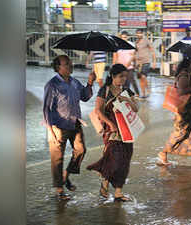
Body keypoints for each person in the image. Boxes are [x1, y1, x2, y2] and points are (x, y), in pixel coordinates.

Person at [43, 55, 96, 200]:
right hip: (58, 126)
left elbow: (84, 97)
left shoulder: (74, 82)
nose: (70, 66)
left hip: (74, 122)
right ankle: (59, 190)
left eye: (70, 63)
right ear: (58, 67)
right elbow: (46, 109)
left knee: (81, 150)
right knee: (57, 158)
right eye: (66, 64)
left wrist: (90, 83)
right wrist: (50, 130)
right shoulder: (52, 85)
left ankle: (65, 176)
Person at [87, 64, 139, 202]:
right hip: (112, 131)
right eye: (120, 76)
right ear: (113, 76)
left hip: (126, 131)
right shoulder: (105, 90)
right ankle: (104, 178)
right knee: (114, 159)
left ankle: (118, 192)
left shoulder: (127, 90)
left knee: (125, 160)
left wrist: (127, 99)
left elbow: (136, 109)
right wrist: (110, 124)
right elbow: (98, 110)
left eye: (125, 76)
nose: (123, 79)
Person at [158, 56, 191, 166]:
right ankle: (163, 153)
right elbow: (181, 92)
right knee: (181, 133)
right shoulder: (183, 76)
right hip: (185, 110)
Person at [113, 31, 140, 96]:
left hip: (129, 66)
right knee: (122, 82)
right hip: (120, 67)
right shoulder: (117, 45)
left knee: (131, 80)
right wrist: (114, 66)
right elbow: (115, 56)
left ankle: (137, 93)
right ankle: (125, 94)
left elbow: (133, 55)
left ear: (127, 37)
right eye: (122, 37)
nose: (124, 38)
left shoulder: (131, 45)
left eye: (125, 37)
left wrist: (129, 63)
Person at [135, 29, 156, 98]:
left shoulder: (146, 40)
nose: (139, 34)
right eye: (137, 33)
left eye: (140, 33)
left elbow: (152, 51)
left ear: (142, 34)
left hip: (146, 61)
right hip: (138, 63)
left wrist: (154, 62)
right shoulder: (136, 42)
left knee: (143, 76)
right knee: (141, 78)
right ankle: (143, 94)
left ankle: (147, 89)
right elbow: (135, 52)